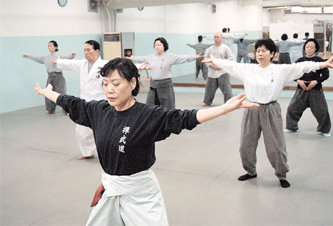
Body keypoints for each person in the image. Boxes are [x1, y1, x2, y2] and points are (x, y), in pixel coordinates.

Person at [33, 57, 259, 226]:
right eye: (105, 84)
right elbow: (71, 102)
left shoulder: (148, 115)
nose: (109, 90)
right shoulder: (98, 110)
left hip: (140, 192)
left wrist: (224, 108)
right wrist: (47, 93)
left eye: (116, 83)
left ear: (132, 84)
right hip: (111, 187)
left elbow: (185, 118)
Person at [202, 38, 333, 188]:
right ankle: (250, 171)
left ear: (272, 53)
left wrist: (324, 63)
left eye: (263, 51)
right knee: (246, 145)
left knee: (276, 145)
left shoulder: (280, 70)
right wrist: (214, 60)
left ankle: (281, 174)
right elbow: (230, 65)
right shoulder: (248, 69)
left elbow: (303, 66)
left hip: (271, 110)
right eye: (258, 51)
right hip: (251, 109)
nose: (260, 54)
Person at [53, 40, 108, 160]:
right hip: (85, 102)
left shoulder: (105, 64)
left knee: (103, 129)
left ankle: (108, 152)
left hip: (101, 102)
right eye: (84, 50)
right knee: (81, 129)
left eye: (88, 50)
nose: (86, 53)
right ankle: (87, 152)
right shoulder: (82, 64)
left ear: (97, 51)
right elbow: (70, 64)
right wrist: (58, 61)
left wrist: (140, 66)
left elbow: (120, 66)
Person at [130, 37, 202, 109]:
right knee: (150, 106)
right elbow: (140, 58)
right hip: (154, 85)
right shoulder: (151, 57)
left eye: (159, 45)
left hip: (165, 85)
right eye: (155, 45)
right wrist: (131, 58)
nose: (157, 47)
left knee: (168, 107)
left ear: (164, 46)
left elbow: (182, 58)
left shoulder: (170, 56)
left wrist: (195, 57)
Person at [285, 39, 332, 136]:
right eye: (307, 47)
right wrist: (299, 81)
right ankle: (291, 127)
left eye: (312, 47)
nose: (309, 49)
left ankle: (324, 130)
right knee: (292, 108)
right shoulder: (299, 61)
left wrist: (316, 81)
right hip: (301, 89)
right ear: (304, 48)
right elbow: (292, 74)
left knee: (322, 111)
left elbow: (326, 74)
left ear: (315, 49)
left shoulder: (319, 61)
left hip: (315, 90)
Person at [23, 40, 75, 114]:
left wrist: (72, 56)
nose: (49, 47)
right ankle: (50, 110)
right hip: (50, 77)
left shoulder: (59, 56)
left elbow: (67, 58)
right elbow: (38, 59)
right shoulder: (45, 57)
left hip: (59, 76)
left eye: (51, 45)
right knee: (47, 93)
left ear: (55, 47)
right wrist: (29, 56)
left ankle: (66, 111)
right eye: (48, 46)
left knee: (62, 93)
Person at [201, 32, 234, 107]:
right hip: (212, 72)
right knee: (209, 88)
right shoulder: (210, 48)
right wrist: (210, 65)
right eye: (215, 37)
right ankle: (207, 101)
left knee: (226, 88)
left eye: (217, 37)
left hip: (223, 72)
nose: (215, 39)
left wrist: (222, 65)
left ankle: (229, 102)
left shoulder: (225, 48)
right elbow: (206, 58)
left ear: (221, 38)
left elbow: (231, 58)